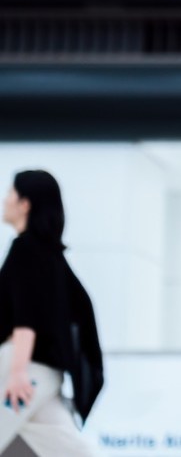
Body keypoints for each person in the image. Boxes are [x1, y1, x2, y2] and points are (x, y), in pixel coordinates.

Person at [0, 170, 98, 457]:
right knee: (68, 449)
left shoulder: (26, 249)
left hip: (24, 369)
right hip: (44, 374)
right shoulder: (50, 254)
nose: (4, 200)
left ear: (25, 204)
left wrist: (18, 373)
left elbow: (27, 318)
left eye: (10, 193)